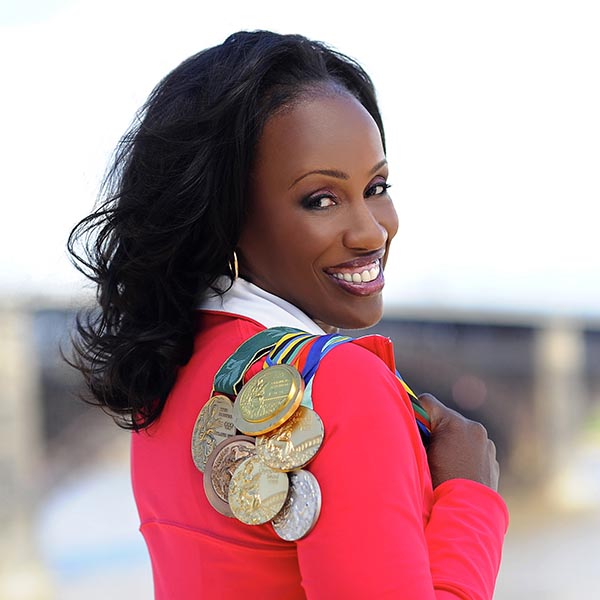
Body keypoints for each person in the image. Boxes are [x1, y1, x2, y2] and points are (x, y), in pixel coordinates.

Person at [67, 30, 508, 599]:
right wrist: (472, 500)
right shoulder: (342, 385)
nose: (372, 230)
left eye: (376, 186)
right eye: (320, 199)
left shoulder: (165, 372)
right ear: (227, 217)